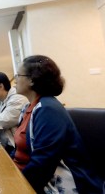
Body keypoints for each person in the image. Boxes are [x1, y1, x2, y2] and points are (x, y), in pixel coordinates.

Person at [12, 55, 103, 193]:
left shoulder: (47, 109)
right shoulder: (27, 108)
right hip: (24, 173)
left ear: (31, 80)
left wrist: (15, 186)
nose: (15, 80)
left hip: (58, 184)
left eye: (18, 75)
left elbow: (43, 162)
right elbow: (19, 149)